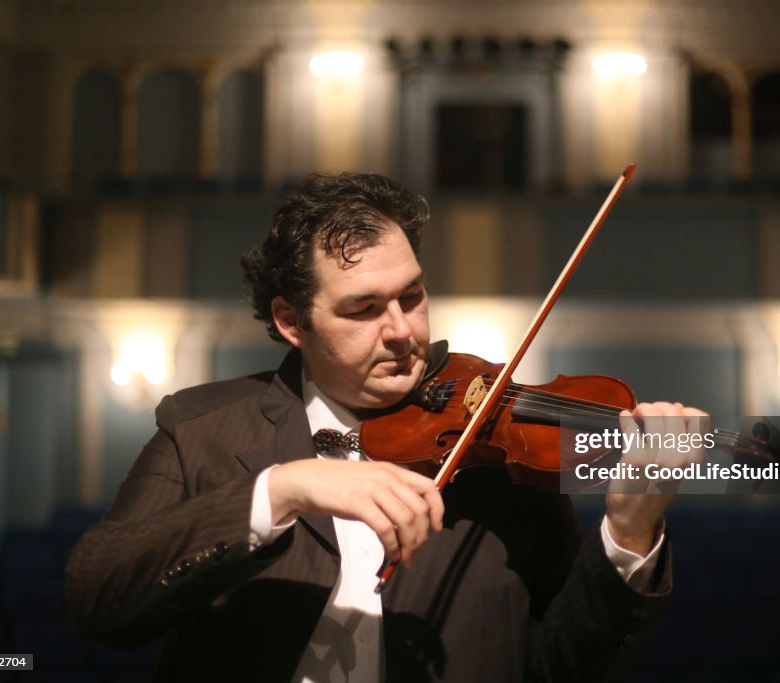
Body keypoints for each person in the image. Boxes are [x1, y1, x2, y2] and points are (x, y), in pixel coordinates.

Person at [65, 172, 709, 682]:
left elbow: (560, 668)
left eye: (412, 295)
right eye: (364, 309)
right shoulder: (202, 428)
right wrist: (281, 490)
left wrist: (628, 533)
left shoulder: (498, 454)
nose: (402, 331)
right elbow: (99, 597)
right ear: (293, 322)